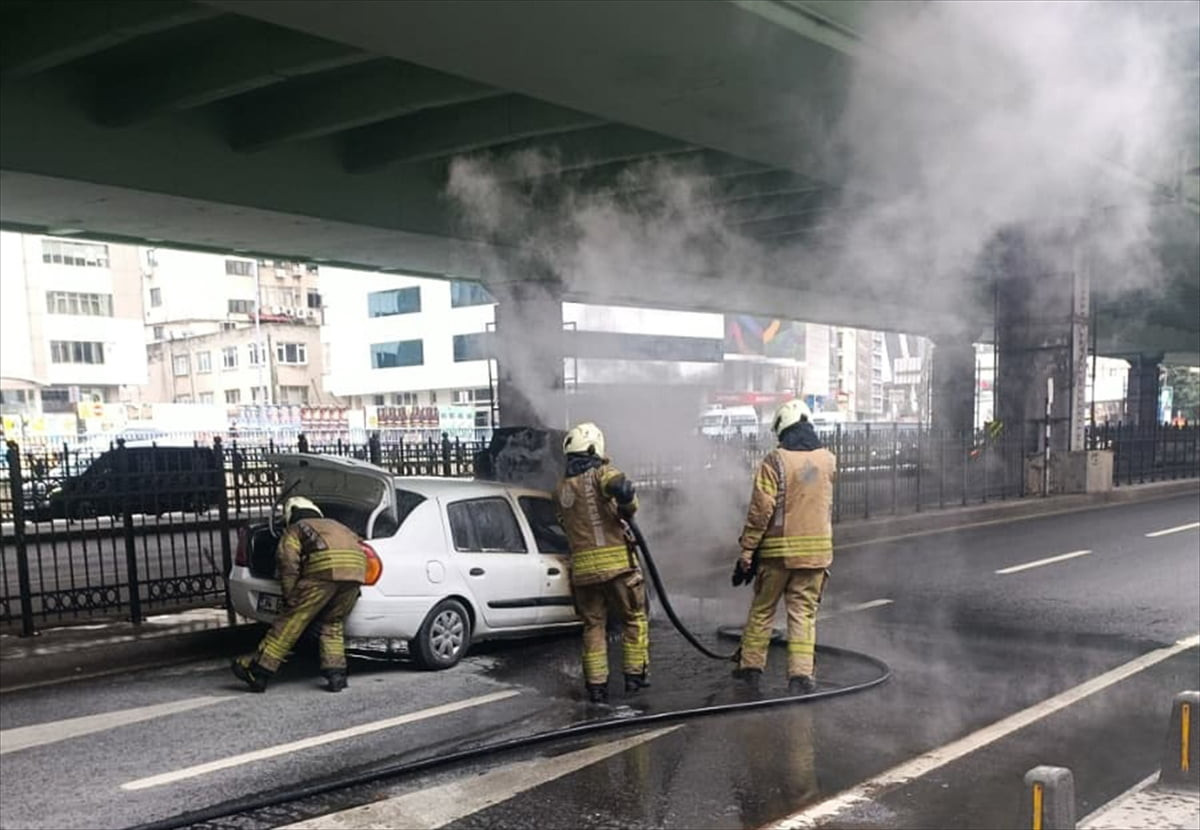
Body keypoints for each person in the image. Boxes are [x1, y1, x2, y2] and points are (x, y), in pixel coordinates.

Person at [733, 399, 837, 694]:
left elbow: (760, 510)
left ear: (783, 429)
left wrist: (747, 551)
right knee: (803, 614)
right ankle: (800, 677)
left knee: (762, 611)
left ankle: (750, 669)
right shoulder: (828, 460)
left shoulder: (775, 461)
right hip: (816, 556)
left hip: (777, 556)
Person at [232, 495, 366, 693]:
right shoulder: (338, 525)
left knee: (291, 623)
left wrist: (291, 595)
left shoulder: (296, 528)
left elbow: (287, 562)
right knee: (333, 623)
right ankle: (336, 674)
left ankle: (258, 671)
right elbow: (360, 546)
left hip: (322, 574)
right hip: (355, 574)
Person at [556, 422, 649, 704]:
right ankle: (634, 676)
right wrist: (625, 496)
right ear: (595, 448)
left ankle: (596, 686)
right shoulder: (600, 473)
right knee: (634, 618)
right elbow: (620, 488)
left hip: (583, 573)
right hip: (618, 568)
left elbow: (564, 525)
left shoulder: (561, 489)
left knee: (593, 626)